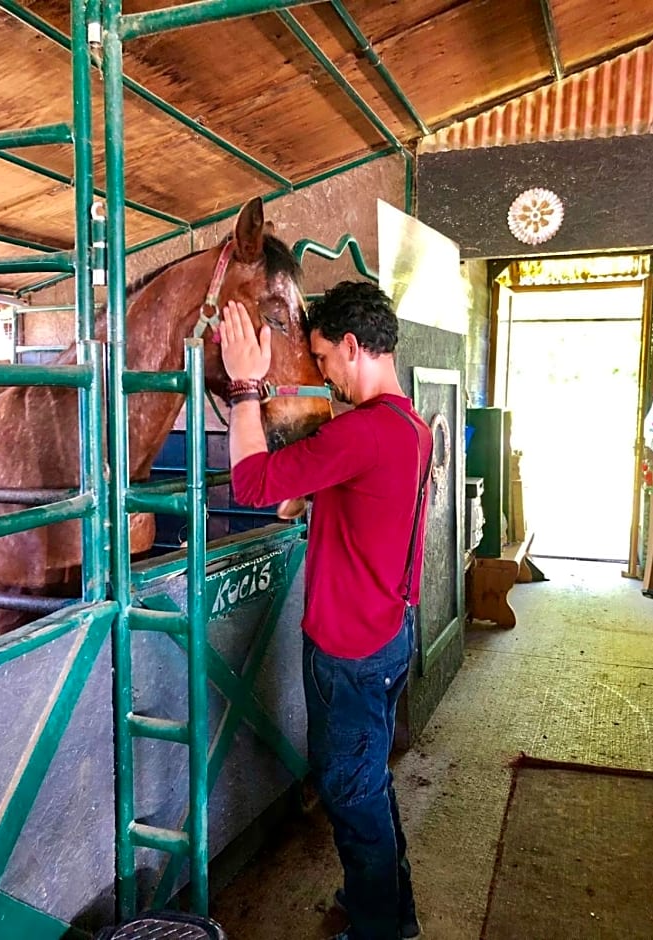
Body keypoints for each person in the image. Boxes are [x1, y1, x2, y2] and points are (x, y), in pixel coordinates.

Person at [220, 280, 432, 940]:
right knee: (367, 781)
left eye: (321, 358)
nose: (321, 374)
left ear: (351, 346)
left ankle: (377, 928)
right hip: (388, 633)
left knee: (351, 791)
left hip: (350, 647)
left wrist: (245, 387)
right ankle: (389, 905)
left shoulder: (360, 432)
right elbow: (356, 496)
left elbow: (251, 483)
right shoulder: (410, 427)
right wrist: (315, 493)